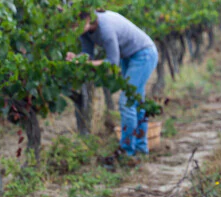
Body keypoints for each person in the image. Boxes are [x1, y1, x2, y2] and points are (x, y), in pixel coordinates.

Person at [66, 9, 158, 156]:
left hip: (144, 54)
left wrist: (87, 64)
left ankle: (127, 151)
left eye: (75, 24)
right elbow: (88, 55)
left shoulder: (106, 28)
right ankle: (140, 149)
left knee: (126, 101)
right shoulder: (85, 31)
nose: (73, 28)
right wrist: (77, 58)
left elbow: (112, 62)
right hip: (129, 57)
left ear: (88, 18)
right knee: (136, 102)